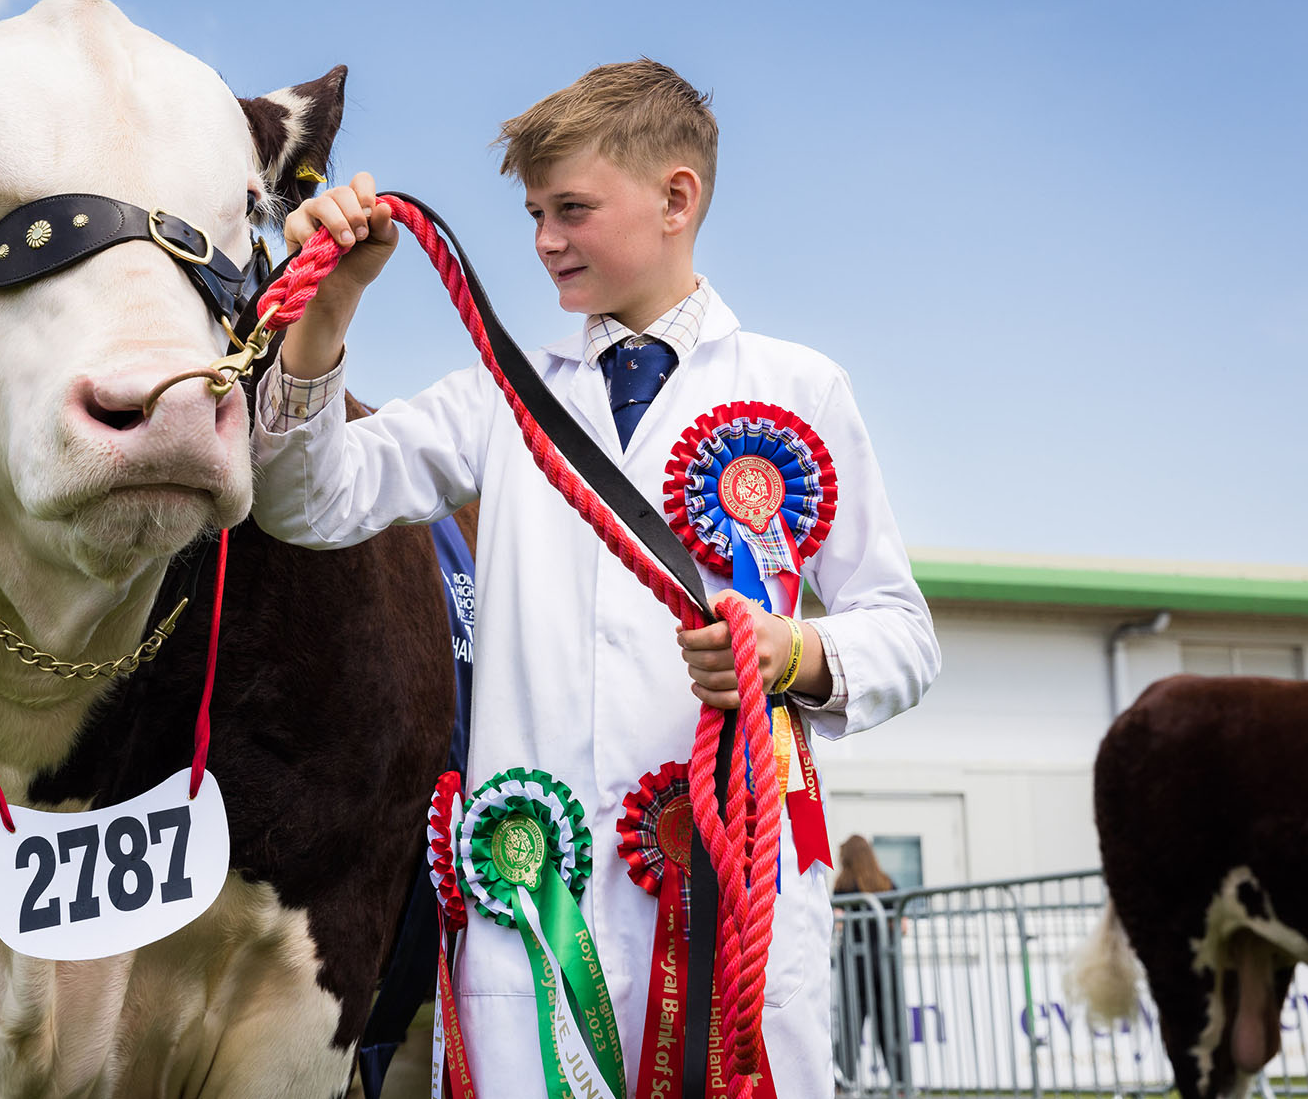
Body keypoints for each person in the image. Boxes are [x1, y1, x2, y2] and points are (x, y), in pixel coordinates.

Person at [250, 60, 938, 1095]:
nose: (544, 240)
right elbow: (309, 503)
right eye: (534, 213)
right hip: (537, 898)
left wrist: (793, 651)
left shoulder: (802, 388)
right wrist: (329, 312)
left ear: (676, 198)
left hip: (732, 890)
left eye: (571, 209)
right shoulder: (499, 393)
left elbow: (903, 634)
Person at [833, 835, 908, 1090]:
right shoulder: (885, 882)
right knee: (891, 1025)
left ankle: (842, 1082)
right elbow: (902, 925)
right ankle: (900, 1084)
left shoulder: (843, 885)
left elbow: (838, 923)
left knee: (850, 1025)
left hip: (855, 964)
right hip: (884, 963)